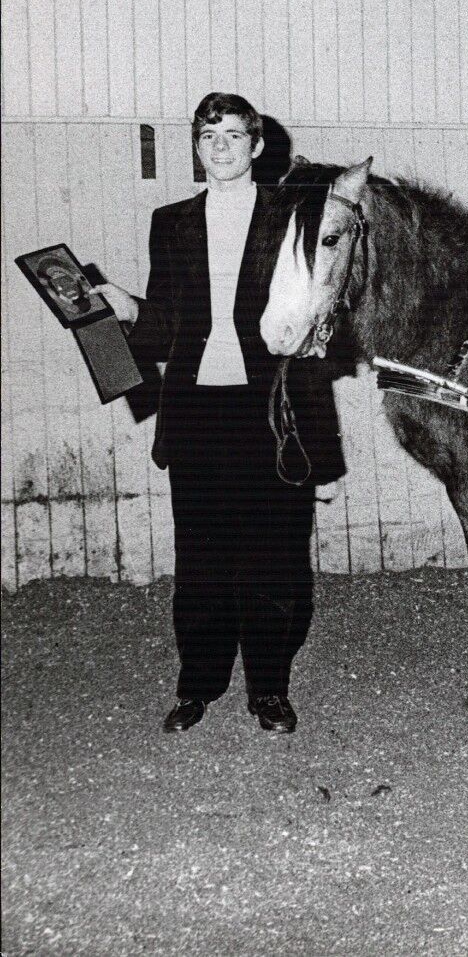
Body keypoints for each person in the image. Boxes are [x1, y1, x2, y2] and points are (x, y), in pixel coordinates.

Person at [95, 93, 345, 734]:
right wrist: (128, 309)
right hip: (197, 410)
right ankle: (197, 687)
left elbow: (324, 305)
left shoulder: (294, 214)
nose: (222, 147)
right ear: (197, 147)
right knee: (200, 559)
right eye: (209, 136)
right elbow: (165, 330)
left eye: (234, 135)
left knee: (273, 557)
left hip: (270, 412)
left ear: (257, 146)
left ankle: (269, 689)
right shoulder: (170, 220)